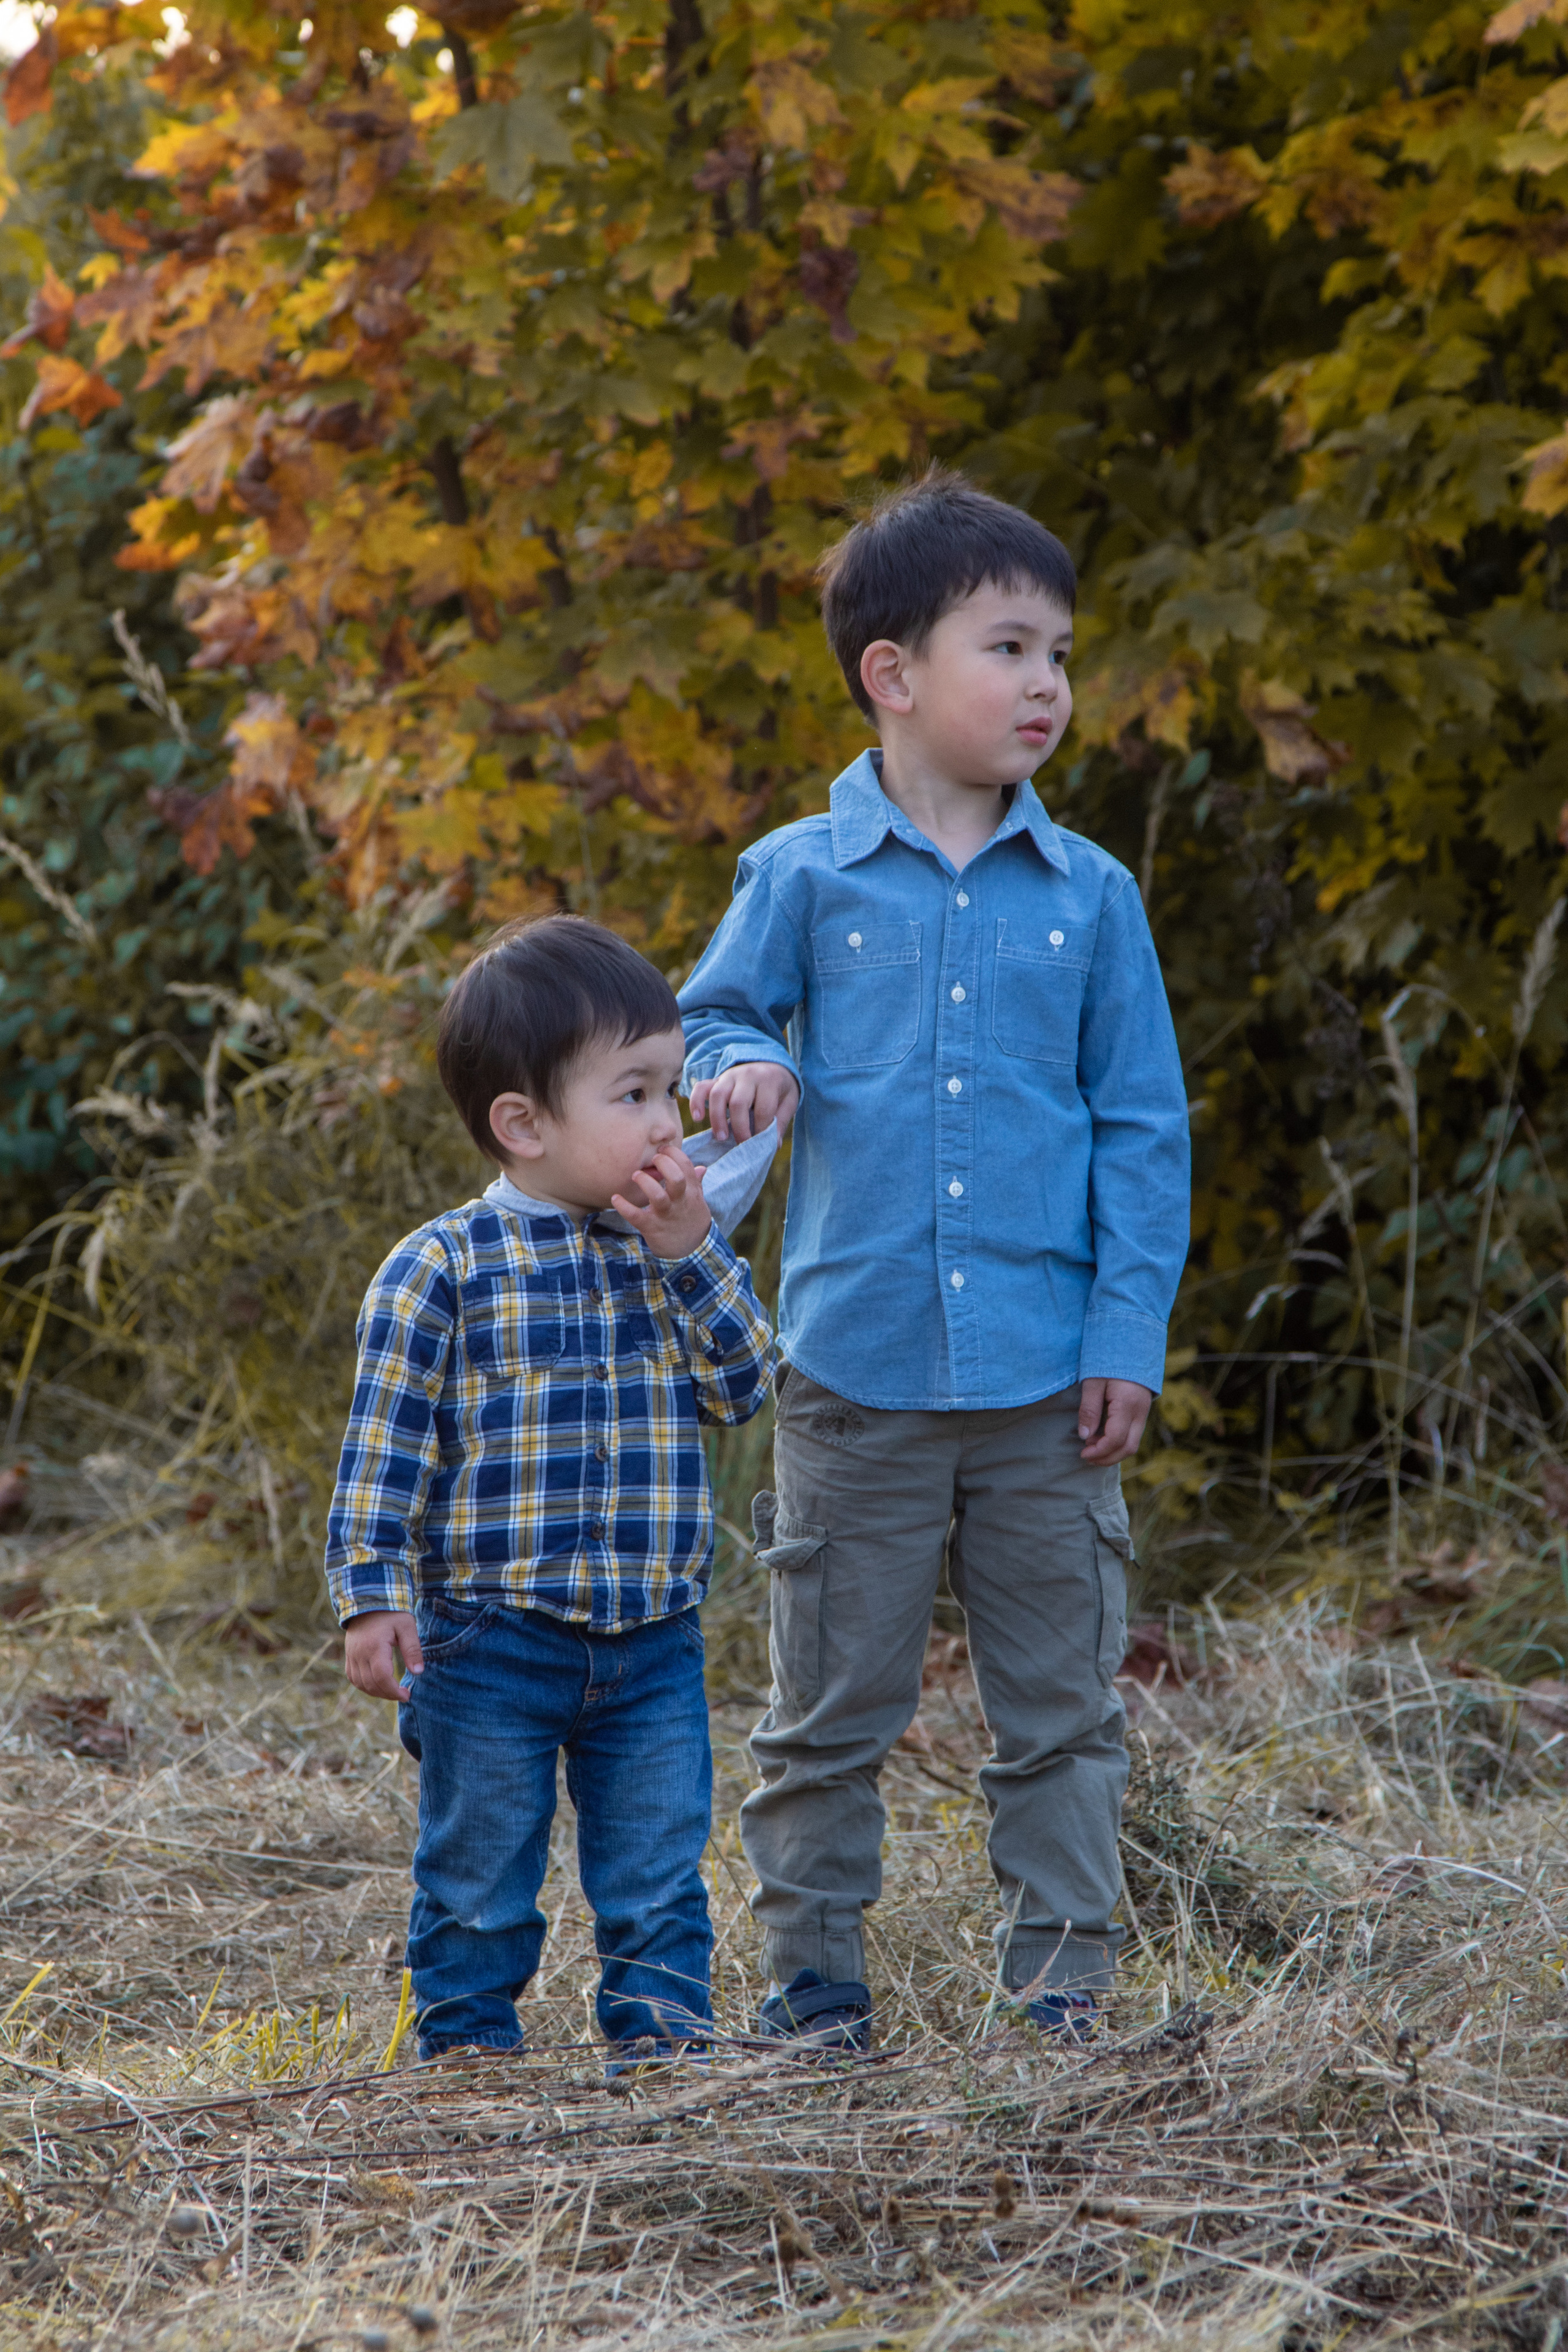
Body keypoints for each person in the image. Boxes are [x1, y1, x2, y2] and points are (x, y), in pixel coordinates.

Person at [677, 469, 1189, 2049]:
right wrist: (736, 1061)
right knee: (828, 1712)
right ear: (891, 676)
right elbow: (706, 1019)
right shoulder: (801, 875)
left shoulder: (1091, 897)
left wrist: (1124, 1335)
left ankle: (1059, 1995)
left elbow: (1140, 1129)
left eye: (1058, 654)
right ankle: (813, 1989)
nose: (1045, 683)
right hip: (855, 1367)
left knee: (1059, 1712)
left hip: (1047, 1379)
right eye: (1008, 648)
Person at [325, 915, 774, 2068]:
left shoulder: (667, 1244)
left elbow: (743, 1390)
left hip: (653, 1639)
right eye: (634, 1093)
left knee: (659, 1873)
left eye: (673, 1088)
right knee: (478, 1872)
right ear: (522, 1124)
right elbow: (384, 1449)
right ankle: (469, 2057)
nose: (670, 1122)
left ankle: (665, 2055)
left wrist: (693, 1251)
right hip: (491, 1639)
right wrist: (372, 1596)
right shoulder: (443, 1268)